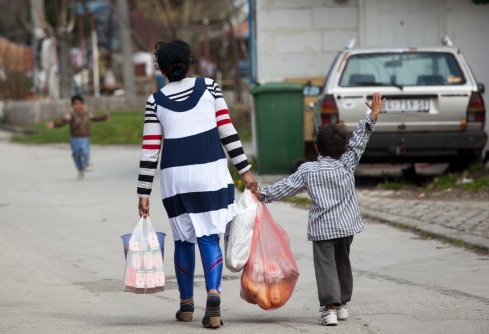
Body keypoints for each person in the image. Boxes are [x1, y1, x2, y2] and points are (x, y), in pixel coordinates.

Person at [136, 40, 258, 329]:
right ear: (189, 63)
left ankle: (186, 304)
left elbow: (150, 149)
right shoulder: (210, 87)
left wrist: (143, 192)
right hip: (210, 172)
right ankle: (213, 295)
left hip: (175, 177)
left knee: (183, 240)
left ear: (161, 69)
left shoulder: (155, 100)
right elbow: (227, 132)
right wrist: (245, 171)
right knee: (208, 237)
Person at [255, 93, 385, 326]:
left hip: (323, 229)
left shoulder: (307, 170)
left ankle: (329, 309)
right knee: (342, 261)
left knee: (326, 266)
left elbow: (286, 188)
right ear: (343, 148)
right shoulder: (348, 162)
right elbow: (360, 138)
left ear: (316, 148)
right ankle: (342, 304)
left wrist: (262, 194)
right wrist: (372, 114)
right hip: (347, 227)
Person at [46, 95, 109, 179]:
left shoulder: (87, 114)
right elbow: (62, 122)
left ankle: (86, 164)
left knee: (85, 152)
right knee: (76, 155)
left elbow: (95, 118)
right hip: (75, 138)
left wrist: (104, 117)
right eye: (76, 104)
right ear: (73, 105)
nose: (78, 106)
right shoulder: (70, 115)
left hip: (85, 137)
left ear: (82, 104)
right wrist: (54, 124)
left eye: (80, 104)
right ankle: (80, 169)